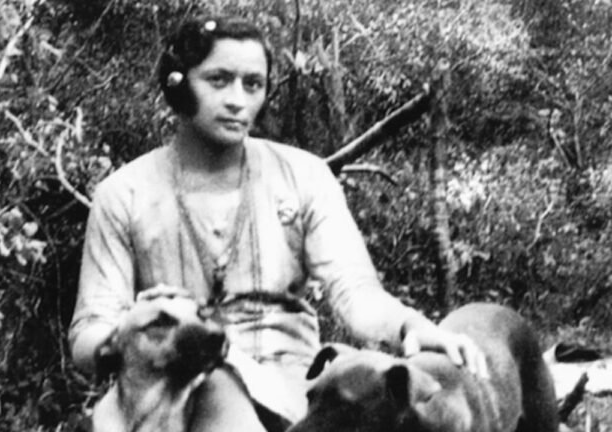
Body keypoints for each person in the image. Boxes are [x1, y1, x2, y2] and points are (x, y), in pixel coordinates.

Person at [69, 15, 487, 432]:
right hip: (165, 391)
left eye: (253, 84)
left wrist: (410, 324)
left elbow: (355, 291)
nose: (238, 100)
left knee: (220, 386)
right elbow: (90, 334)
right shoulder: (124, 194)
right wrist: (136, 326)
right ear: (178, 85)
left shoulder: (303, 176)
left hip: (284, 390)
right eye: (218, 80)